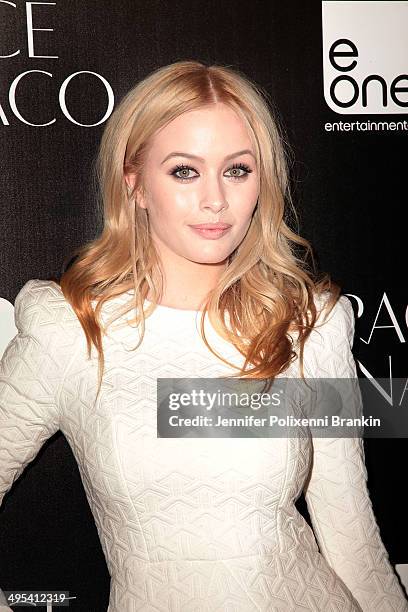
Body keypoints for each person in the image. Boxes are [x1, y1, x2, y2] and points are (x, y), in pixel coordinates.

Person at [0, 60, 407, 612]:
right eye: (185, 171)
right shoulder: (71, 329)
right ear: (135, 183)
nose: (216, 200)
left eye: (238, 170)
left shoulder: (309, 322)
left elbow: (351, 532)